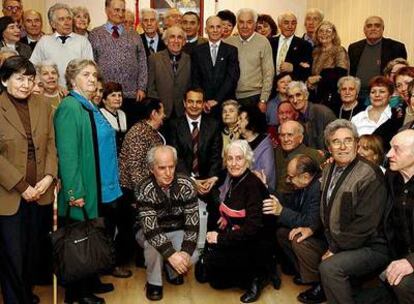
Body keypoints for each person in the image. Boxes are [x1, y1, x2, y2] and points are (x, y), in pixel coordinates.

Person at [296, 119, 389, 304]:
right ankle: (326, 287)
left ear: (356, 143)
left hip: (369, 245)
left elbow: (365, 225)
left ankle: (332, 285)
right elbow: (325, 206)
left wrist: (335, 249)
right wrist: (312, 228)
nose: (343, 146)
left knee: (330, 267)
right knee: (300, 241)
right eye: (336, 142)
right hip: (337, 237)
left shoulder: (369, 174)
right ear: (329, 147)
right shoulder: (329, 167)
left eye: (348, 140)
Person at [54, 58, 123, 304]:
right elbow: (68, 155)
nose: (92, 79)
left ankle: (90, 281)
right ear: (73, 80)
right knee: (78, 240)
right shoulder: (69, 107)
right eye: (86, 74)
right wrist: (74, 192)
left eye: (94, 75)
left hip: (96, 184)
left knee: (91, 234)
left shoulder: (88, 106)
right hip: (80, 187)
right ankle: (77, 294)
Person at [0, 56, 56, 304]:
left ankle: (25, 295)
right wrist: (22, 186)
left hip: (40, 193)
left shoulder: (43, 105)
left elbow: (52, 144)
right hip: (9, 196)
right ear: (4, 80)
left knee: (32, 253)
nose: (25, 84)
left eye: (29, 79)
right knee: (12, 256)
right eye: (19, 78)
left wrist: (49, 177)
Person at [204, 139, 272, 303]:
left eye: (239, 158)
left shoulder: (252, 185)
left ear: (248, 160)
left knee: (215, 276)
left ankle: (259, 277)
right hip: (239, 236)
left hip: (256, 243)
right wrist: (226, 217)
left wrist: (219, 238)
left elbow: (252, 229)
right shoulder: (234, 179)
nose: (234, 164)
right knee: (213, 278)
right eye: (230, 158)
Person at [135, 145, 199, 301]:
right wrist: (171, 255)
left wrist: (184, 252)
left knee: (194, 255)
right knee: (153, 246)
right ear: (151, 168)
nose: (168, 173)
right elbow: (151, 230)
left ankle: (172, 271)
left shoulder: (187, 185)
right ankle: (154, 283)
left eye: (171, 167)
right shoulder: (144, 188)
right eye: (162, 168)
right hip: (148, 232)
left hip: (177, 230)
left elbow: (192, 223)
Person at [263, 154, 322, 286]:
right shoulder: (304, 186)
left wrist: (281, 211)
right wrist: (266, 187)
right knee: (282, 233)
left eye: (291, 177)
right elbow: (289, 202)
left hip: (320, 238)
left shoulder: (317, 189)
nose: (288, 181)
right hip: (311, 232)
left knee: (298, 239)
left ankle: (316, 282)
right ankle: (302, 272)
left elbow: (310, 223)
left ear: (305, 176)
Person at [168, 88, 222, 230]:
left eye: (198, 102)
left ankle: (210, 245)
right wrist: (191, 181)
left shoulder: (214, 125)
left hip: (207, 180)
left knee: (218, 203)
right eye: (190, 101)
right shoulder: (174, 125)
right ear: (184, 103)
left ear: (203, 104)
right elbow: (175, 157)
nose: (194, 105)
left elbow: (216, 156)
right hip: (182, 178)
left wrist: (211, 180)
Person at [89, 0, 147, 128]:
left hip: (131, 95)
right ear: (107, 10)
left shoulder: (134, 35)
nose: (120, 14)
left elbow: (142, 61)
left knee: (130, 131)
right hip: (105, 95)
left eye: (122, 10)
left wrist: (141, 87)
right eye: (116, 10)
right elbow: (91, 63)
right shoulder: (95, 34)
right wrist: (96, 89)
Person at [30, 3, 93, 87]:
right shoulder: (44, 41)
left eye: (69, 19)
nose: (67, 23)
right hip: (51, 92)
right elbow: (33, 67)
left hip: (76, 93)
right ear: (53, 24)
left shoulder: (83, 42)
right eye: (61, 19)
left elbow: (89, 70)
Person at [383, 129, 414, 304]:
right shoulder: (392, 176)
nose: (389, 154)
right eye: (390, 148)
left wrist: (411, 262)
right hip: (395, 252)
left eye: (396, 149)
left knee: (402, 284)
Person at [348, 16, 407, 103]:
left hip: (384, 96)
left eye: (377, 25)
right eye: (369, 26)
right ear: (364, 30)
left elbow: (401, 75)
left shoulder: (396, 47)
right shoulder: (354, 48)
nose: (373, 28)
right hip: (357, 95)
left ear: (382, 29)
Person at [226, 8, 274, 112]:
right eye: (241, 22)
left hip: (254, 97)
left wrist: (263, 100)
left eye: (249, 22)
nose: (245, 26)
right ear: (237, 24)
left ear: (255, 24)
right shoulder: (228, 42)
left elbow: (268, 73)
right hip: (230, 97)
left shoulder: (263, 42)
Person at [191, 15, 240, 118]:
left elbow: (232, 78)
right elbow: (195, 78)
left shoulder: (231, 50)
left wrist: (217, 99)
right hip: (204, 105)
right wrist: (203, 100)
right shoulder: (197, 51)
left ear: (222, 29)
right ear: (206, 30)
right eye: (211, 27)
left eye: (218, 27)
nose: (215, 30)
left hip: (226, 103)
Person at [119, 97, 166, 192]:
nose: (164, 115)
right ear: (154, 114)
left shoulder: (151, 130)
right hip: (135, 191)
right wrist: (145, 193)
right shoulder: (139, 133)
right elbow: (135, 169)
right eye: (162, 112)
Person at [147, 25, 190, 120]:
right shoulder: (154, 59)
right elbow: (150, 88)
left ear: (184, 42)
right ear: (166, 41)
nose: (176, 40)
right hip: (161, 113)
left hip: (183, 112)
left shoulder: (190, 59)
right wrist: (158, 106)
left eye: (179, 37)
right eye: (172, 37)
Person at [307, 20, 349, 111]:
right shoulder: (315, 51)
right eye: (321, 31)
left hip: (331, 95)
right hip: (314, 95)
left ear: (333, 35)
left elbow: (342, 74)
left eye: (328, 31)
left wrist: (319, 78)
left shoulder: (339, 50)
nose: (324, 34)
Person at [274, 120, 324, 195]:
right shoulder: (276, 152)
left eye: (290, 135)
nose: (286, 139)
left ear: (300, 138)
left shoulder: (313, 155)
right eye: (282, 135)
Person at [287, 81, 336, 150]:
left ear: (306, 95)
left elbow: (336, 140)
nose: (295, 100)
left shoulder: (323, 112)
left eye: (298, 95)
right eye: (291, 97)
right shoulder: (296, 120)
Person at [238, 106, 276, 192]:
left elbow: (267, 174)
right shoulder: (239, 142)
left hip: (258, 191)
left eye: (241, 119)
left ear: (251, 122)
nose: (238, 123)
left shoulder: (265, 144)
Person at [270, 12, 313, 81]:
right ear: (279, 25)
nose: (290, 26)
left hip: (293, 88)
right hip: (271, 87)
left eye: (293, 23)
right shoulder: (270, 42)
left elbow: (308, 70)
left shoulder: (305, 45)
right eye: (286, 23)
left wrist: (293, 68)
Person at [99, 81, 127, 154]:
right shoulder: (100, 115)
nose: (117, 98)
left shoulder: (122, 114)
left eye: (119, 95)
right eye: (113, 95)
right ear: (104, 100)